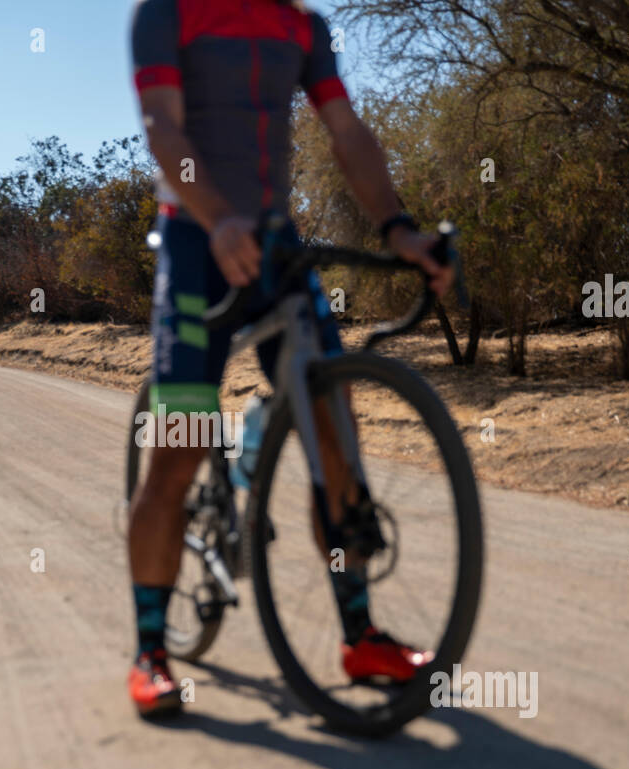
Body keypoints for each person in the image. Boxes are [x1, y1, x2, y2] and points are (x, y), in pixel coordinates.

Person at [126, 0, 454, 715]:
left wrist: (399, 228)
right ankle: (150, 651)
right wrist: (217, 220)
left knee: (336, 437)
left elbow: (348, 133)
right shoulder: (166, 13)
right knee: (179, 451)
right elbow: (164, 129)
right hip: (194, 246)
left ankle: (360, 633)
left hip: (277, 245)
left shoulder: (303, 26)